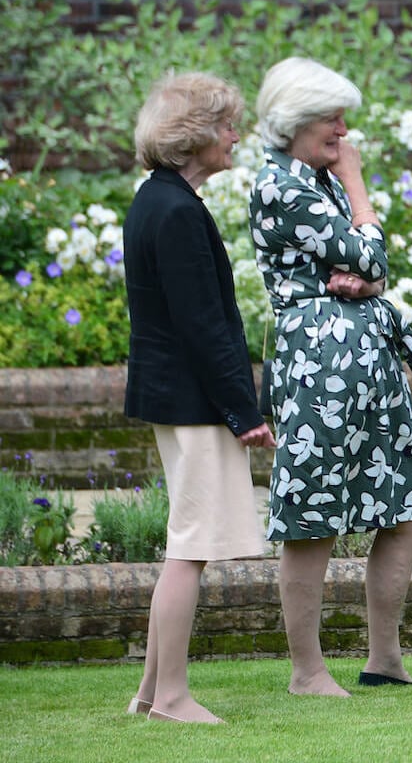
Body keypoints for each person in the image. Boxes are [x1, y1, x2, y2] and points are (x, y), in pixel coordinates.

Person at [250, 57, 412, 698]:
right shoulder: (284, 185)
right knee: (314, 517)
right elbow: (370, 251)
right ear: (296, 120)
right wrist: (358, 187)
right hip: (320, 369)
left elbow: (373, 269)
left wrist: (369, 276)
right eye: (332, 118)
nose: (343, 130)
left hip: (366, 360)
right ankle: (307, 672)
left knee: (405, 504)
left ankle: (383, 659)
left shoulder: (313, 176)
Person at [122, 72, 277, 724]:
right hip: (193, 403)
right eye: (226, 126)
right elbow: (203, 324)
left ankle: (150, 692)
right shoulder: (177, 210)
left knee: (183, 543)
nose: (235, 137)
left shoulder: (155, 200)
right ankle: (172, 698)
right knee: (189, 549)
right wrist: (244, 412)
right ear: (196, 137)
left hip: (177, 399)